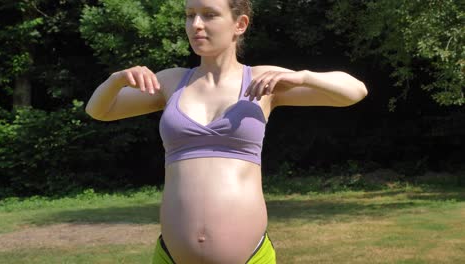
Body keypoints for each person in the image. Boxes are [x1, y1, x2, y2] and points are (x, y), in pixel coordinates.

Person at [85, 0, 368, 263]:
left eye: (208, 15)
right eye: (189, 15)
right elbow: (99, 110)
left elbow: (354, 92)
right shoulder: (171, 81)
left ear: (240, 24)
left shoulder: (262, 80)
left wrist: (303, 77)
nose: (195, 24)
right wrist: (116, 79)